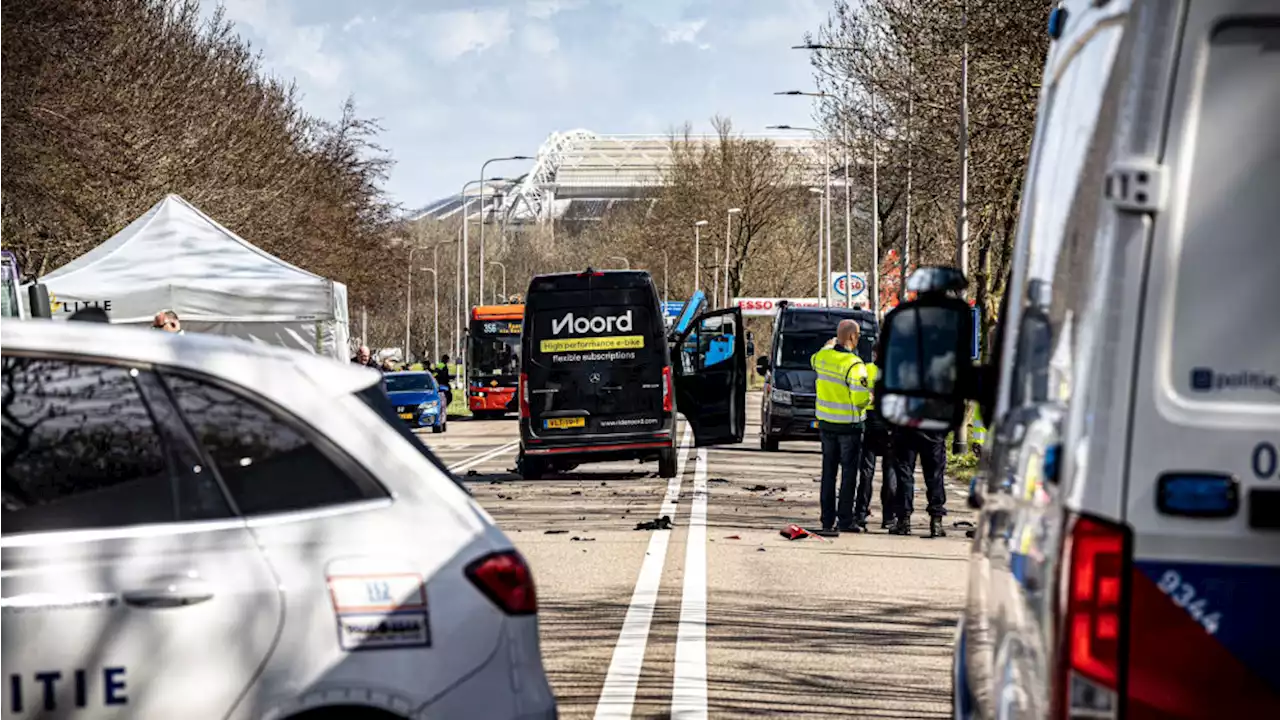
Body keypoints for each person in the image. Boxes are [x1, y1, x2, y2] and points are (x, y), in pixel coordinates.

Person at [810, 319, 872, 533]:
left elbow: (814, 359)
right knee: (848, 475)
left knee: (828, 473)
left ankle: (827, 520)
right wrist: (870, 399)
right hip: (849, 427)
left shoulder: (822, 357)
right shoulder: (855, 365)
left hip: (826, 424)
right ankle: (845, 519)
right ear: (853, 337)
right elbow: (860, 399)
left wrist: (827, 346)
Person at [860, 345, 900, 529]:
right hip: (891, 424)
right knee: (890, 472)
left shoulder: (866, 369)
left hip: (870, 421)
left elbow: (860, 395)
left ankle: (860, 513)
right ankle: (889, 518)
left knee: (867, 472)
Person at [890, 426, 949, 537]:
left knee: (904, 474)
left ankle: (903, 521)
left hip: (906, 428)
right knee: (935, 476)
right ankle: (936, 522)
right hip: (933, 430)